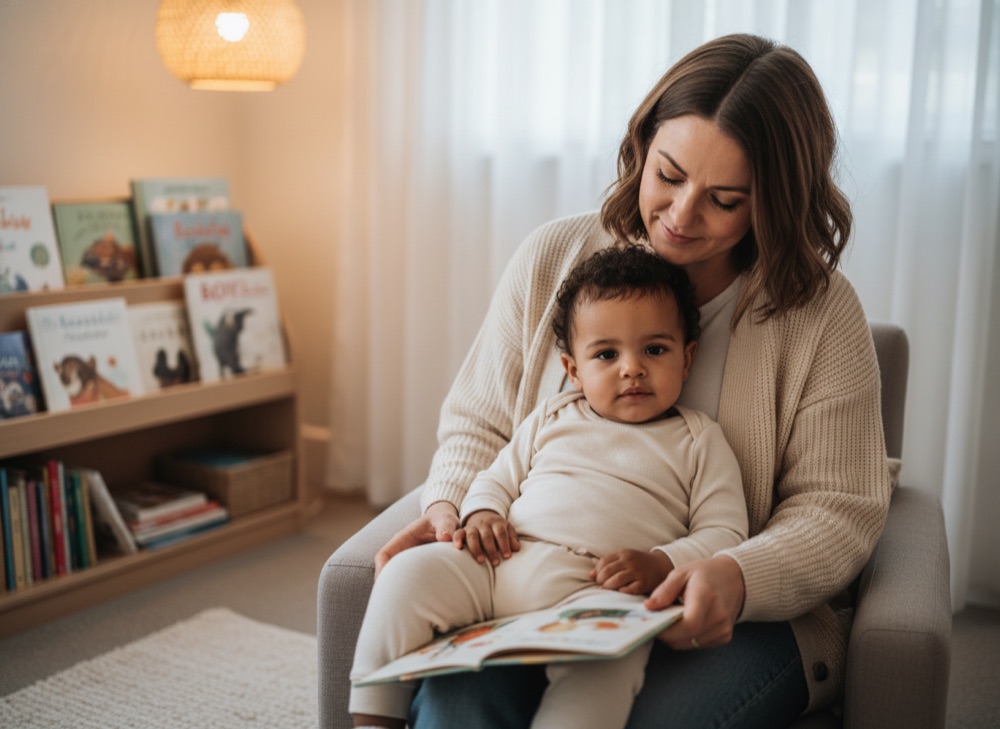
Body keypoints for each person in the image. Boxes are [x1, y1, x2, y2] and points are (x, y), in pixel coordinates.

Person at [372, 32, 893, 728]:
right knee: (454, 704)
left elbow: (838, 508)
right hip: (536, 586)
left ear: (774, 200)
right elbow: (482, 422)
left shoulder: (821, 313)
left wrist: (738, 576)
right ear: (641, 146)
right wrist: (450, 505)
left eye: (725, 198)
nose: (681, 216)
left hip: (738, 617)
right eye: (669, 175)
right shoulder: (556, 255)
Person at [350, 245, 749, 729]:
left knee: (611, 665)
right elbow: (496, 477)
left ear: (687, 359)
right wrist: (481, 515)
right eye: (606, 354)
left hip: (596, 592)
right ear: (573, 370)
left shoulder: (699, 439)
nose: (632, 368)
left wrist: (663, 562)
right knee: (405, 577)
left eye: (655, 350)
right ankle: (375, 718)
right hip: (500, 565)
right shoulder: (552, 416)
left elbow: (725, 535)